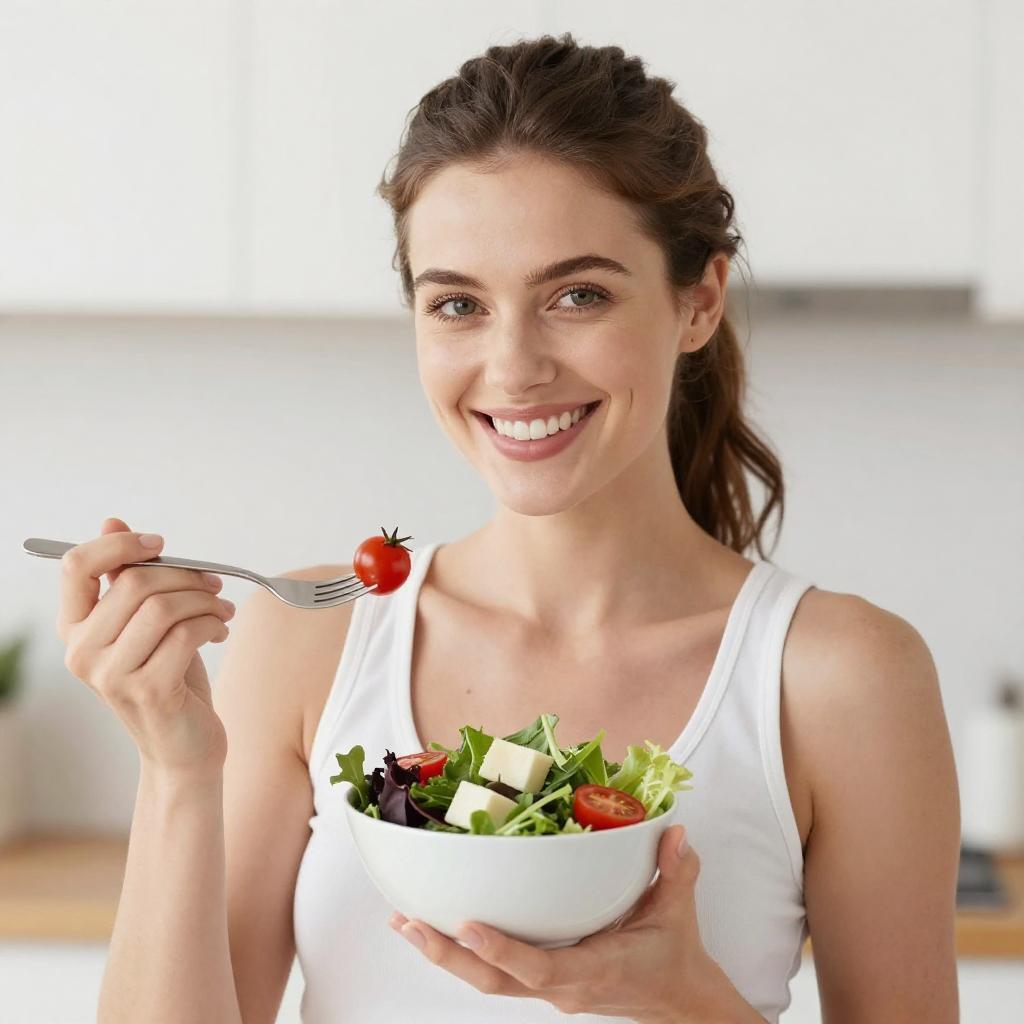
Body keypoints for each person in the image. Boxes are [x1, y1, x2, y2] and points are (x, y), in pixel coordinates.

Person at [56, 33, 960, 1024]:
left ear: (698, 300)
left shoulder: (840, 677)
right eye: (457, 303)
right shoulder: (314, 637)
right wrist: (178, 770)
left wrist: (688, 1002)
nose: (514, 365)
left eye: (577, 295)